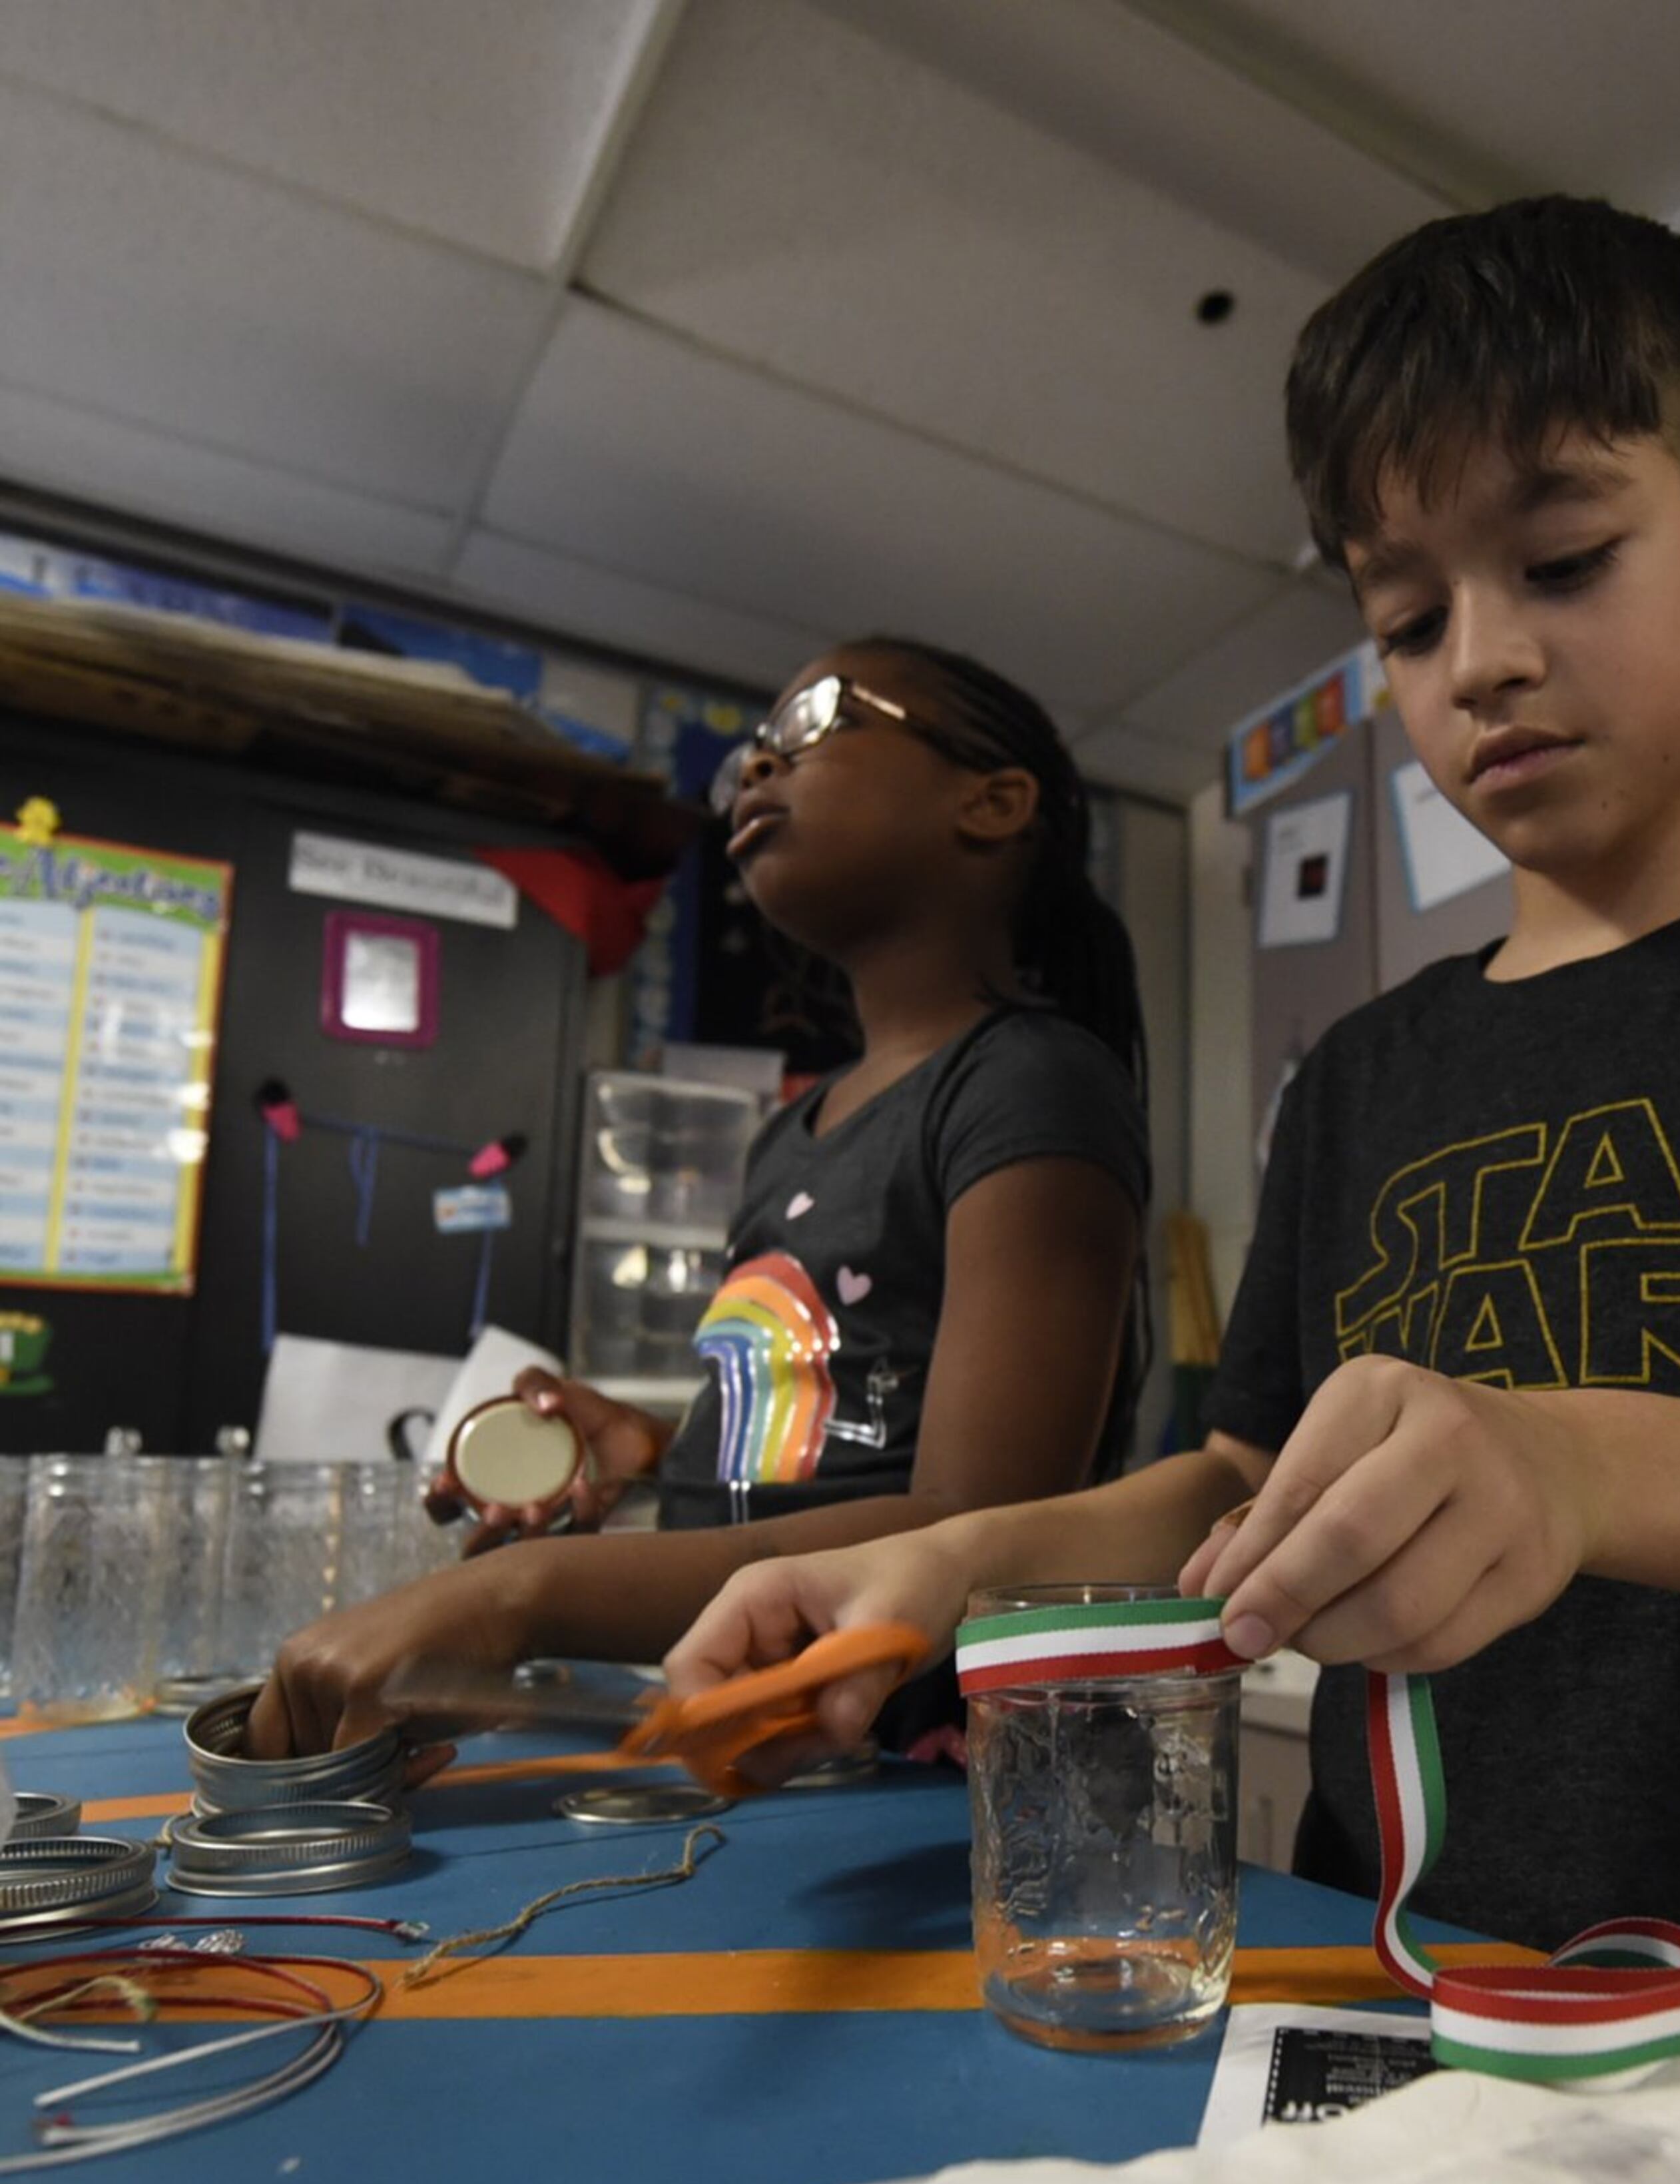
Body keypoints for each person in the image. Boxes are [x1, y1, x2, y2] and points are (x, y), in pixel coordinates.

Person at [692, 198, 1680, 2123]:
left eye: (1563, 557)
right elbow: (1237, 1479)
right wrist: (948, 1561)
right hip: (1452, 2052)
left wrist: (1573, 1458)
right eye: (1409, 617)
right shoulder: (1371, 1072)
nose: (1486, 661)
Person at [248, 637, 1150, 1768]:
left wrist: (525, 1592)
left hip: (922, 1767)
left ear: (993, 800)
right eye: (746, 757)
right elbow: (850, 1432)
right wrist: (665, 1451)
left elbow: (973, 1526)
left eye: (814, 720)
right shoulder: (793, 1129)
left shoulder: (1029, 1079)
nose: (756, 764)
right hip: (758, 1744)